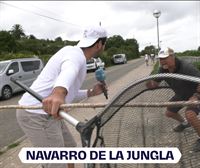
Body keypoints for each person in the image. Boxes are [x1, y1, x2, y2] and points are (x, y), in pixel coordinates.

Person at [16, 26, 108, 168]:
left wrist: (91, 92)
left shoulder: (76, 55)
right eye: (104, 44)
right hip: (36, 114)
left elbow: (70, 93)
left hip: (50, 112)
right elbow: (69, 69)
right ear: (99, 44)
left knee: (69, 148)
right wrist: (58, 93)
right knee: (57, 163)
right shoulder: (75, 56)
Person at [146, 47, 200, 152]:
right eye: (160, 59)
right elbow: (155, 83)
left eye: (165, 58)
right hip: (181, 94)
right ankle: (185, 123)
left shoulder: (186, 67)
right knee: (169, 112)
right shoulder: (163, 69)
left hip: (196, 94)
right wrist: (150, 84)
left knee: (190, 114)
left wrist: (196, 96)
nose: (162, 61)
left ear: (172, 57)